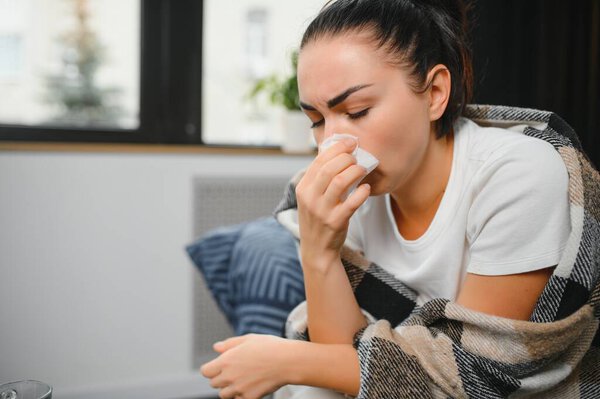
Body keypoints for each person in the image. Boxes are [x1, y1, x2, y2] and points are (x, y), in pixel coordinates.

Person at [199, 0, 596, 398]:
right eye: (317, 121)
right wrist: (319, 254)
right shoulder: (351, 201)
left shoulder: (519, 173)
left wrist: (290, 360)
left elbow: (473, 376)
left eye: (357, 111)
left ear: (436, 93)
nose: (332, 145)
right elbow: (344, 371)